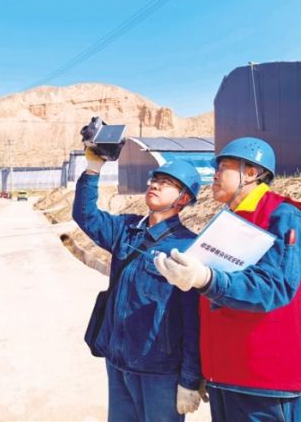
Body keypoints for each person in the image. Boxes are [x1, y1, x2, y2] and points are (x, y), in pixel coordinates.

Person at [154, 137, 301, 422]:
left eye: (223, 167)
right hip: (225, 375)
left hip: (266, 382)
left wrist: (205, 278)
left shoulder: (285, 216)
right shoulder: (229, 221)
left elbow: (274, 287)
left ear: (251, 173)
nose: (214, 175)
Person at [73, 148, 206, 422]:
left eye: (166, 182)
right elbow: (86, 216)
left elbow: (193, 320)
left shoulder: (188, 248)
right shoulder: (126, 230)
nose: (155, 185)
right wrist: (93, 169)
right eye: (155, 179)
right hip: (118, 362)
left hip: (160, 371)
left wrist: (190, 379)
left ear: (183, 198)